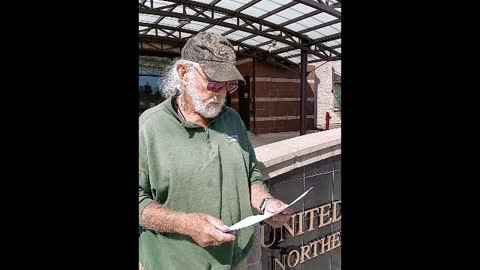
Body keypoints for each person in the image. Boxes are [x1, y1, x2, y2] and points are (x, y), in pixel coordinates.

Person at [139, 32, 292, 270]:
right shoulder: (148, 127)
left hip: (238, 258)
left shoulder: (233, 120)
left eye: (229, 85)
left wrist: (265, 203)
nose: (221, 93)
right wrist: (186, 224)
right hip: (174, 263)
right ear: (183, 74)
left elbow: (250, 173)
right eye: (213, 82)